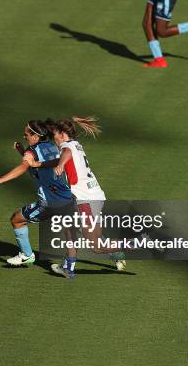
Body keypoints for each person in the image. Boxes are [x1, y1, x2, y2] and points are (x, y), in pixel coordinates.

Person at [23, 117, 127, 275]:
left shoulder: (67, 147)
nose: (54, 138)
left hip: (86, 200)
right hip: (93, 195)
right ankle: (68, 267)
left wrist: (61, 165)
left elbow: (66, 154)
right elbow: (62, 157)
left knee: (96, 246)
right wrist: (40, 164)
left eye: (55, 135)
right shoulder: (76, 144)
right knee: (69, 228)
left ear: (63, 134)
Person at [0, 120, 77, 269]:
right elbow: (39, 166)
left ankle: (27, 255)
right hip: (67, 196)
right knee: (78, 234)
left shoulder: (31, 151)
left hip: (49, 203)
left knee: (17, 220)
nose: (24, 136)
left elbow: (24, 167)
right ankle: (115, 253)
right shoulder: (51, 146)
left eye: (26, 134)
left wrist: (1, 179)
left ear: (35, 136)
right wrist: (22, 152)